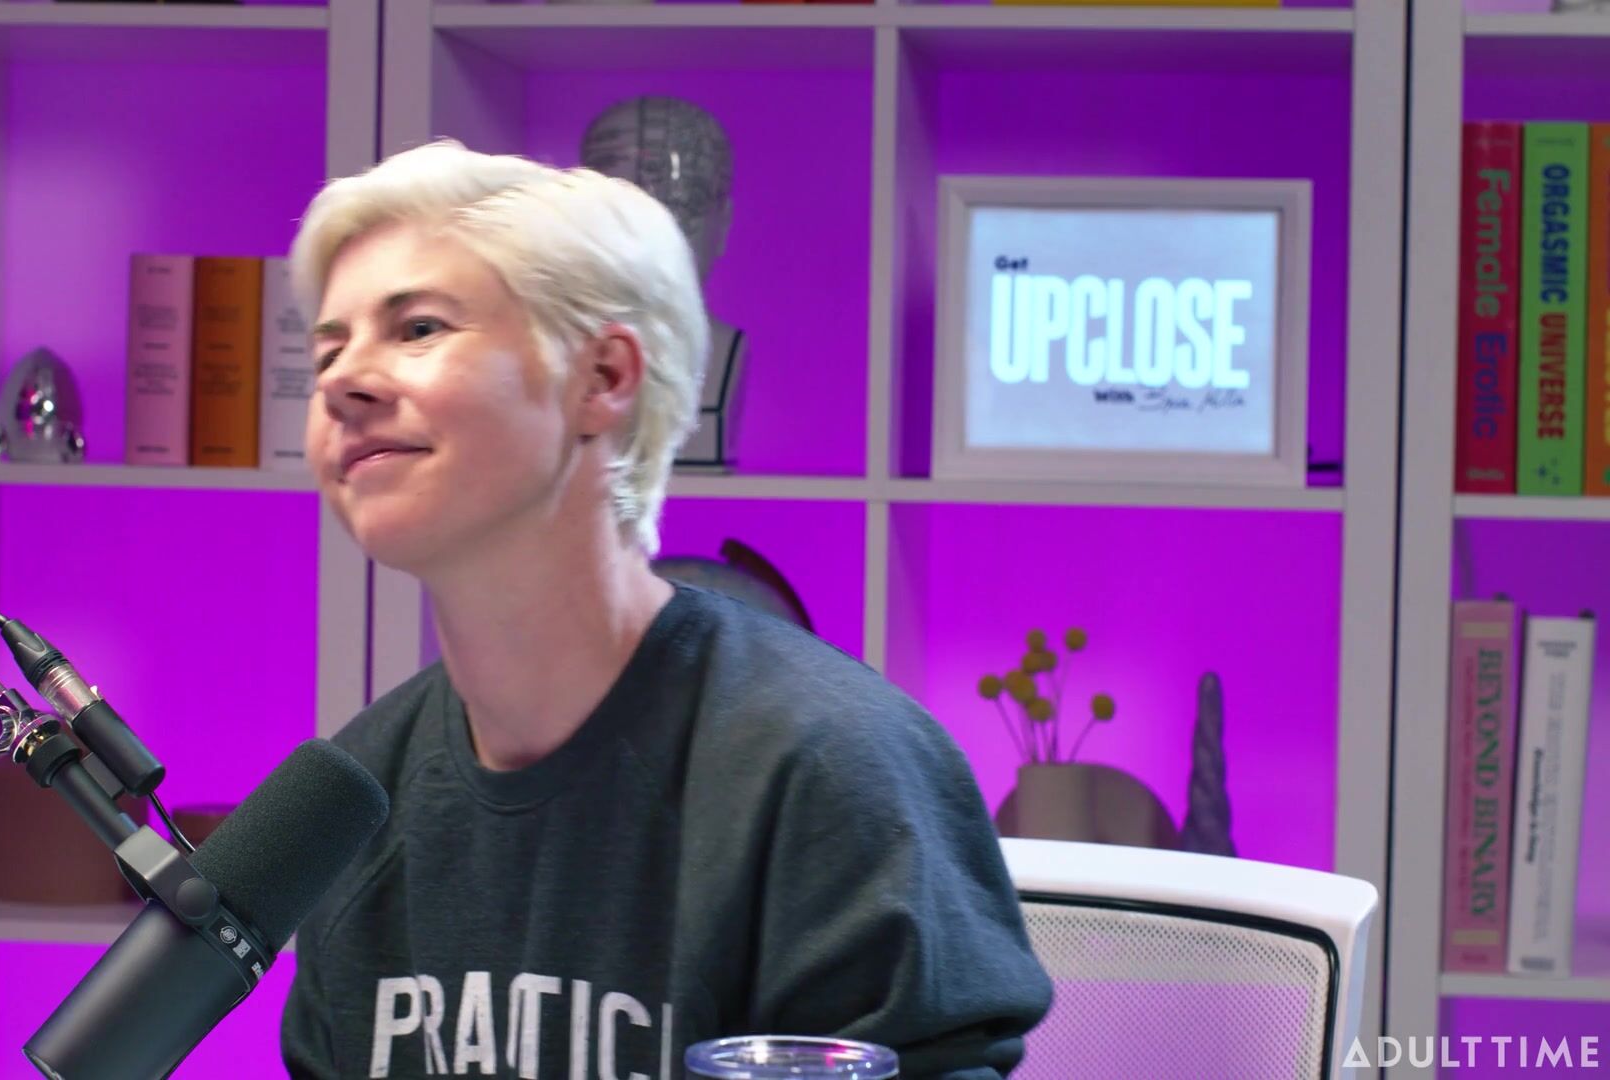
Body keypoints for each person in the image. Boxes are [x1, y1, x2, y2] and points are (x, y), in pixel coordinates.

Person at [279, 139, 1053, 1079]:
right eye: (328, 349)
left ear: (604, 378)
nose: (341, 382)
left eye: (418, 328)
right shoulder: (354, 797)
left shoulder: (832, 770)